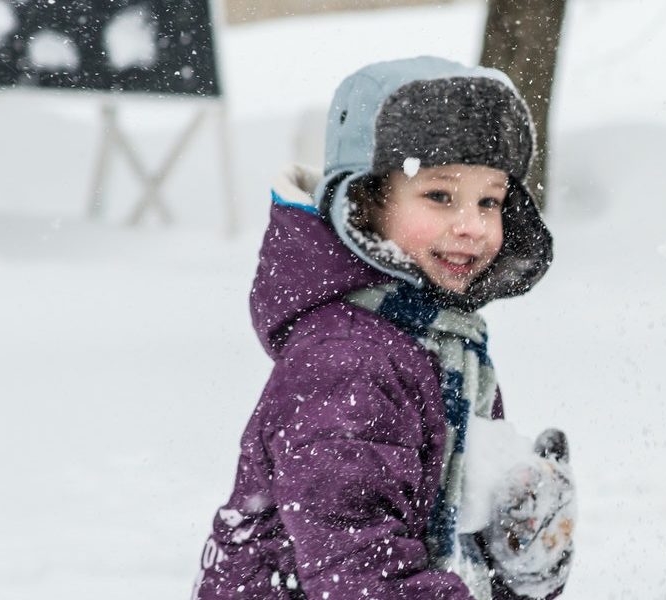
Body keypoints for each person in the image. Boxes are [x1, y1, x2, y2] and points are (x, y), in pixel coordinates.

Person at [194, 57, 573, 600]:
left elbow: (435, 535)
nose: (470, 225)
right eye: (439, 195)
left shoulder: (445, 345)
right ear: (366, 203)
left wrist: (514, 562)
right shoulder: (348, 361)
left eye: (489, 200)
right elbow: (359, 571)